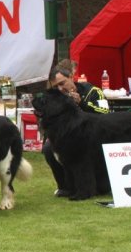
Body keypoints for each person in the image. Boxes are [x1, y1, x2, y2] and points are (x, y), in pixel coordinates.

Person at [43, 66, 109, 197]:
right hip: (71, 139)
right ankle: (65, 186)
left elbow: (105, 113)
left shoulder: (94, 91)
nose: (61, 89)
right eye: (56, 87)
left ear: (71, 77)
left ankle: (98, 183)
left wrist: (82, 103)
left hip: (96, 137)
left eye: (62, 83)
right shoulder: (57, 99)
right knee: (48, 148)